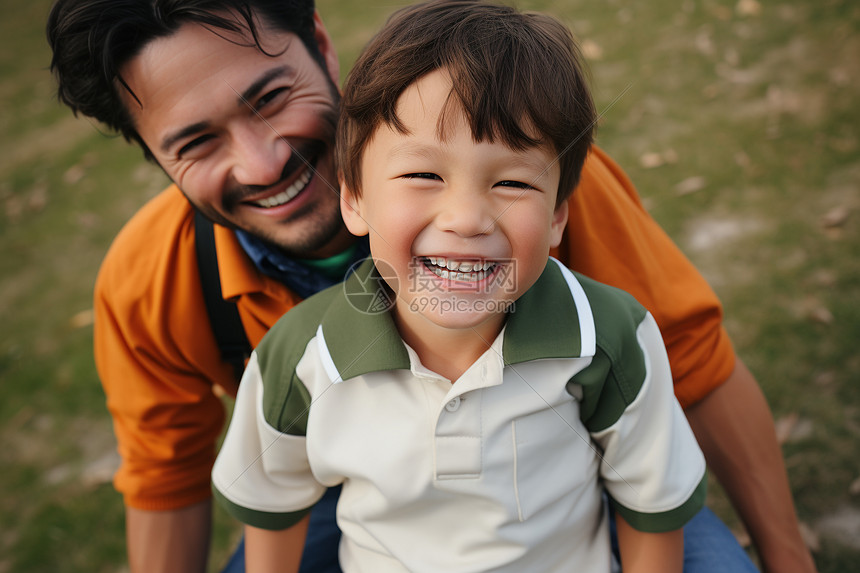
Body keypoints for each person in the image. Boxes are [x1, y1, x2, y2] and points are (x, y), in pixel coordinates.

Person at [44, 0, 816, 572]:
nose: (262, 162)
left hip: (567, 483)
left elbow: (694, 363)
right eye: (197, 141)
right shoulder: (153, 282)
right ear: (151, 151)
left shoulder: (530, 191)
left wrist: (788, 556)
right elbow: (166, 476)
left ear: (318, 42)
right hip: (341, 499)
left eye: (269, 97)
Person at [212, 2, 707, 571]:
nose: (467, 218)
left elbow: (653, 509)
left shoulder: (611, 338)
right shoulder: (297, 357)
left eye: (514, 181)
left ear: (556, 218)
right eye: (424, 174)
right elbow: (271, 510)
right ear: (354, 198)